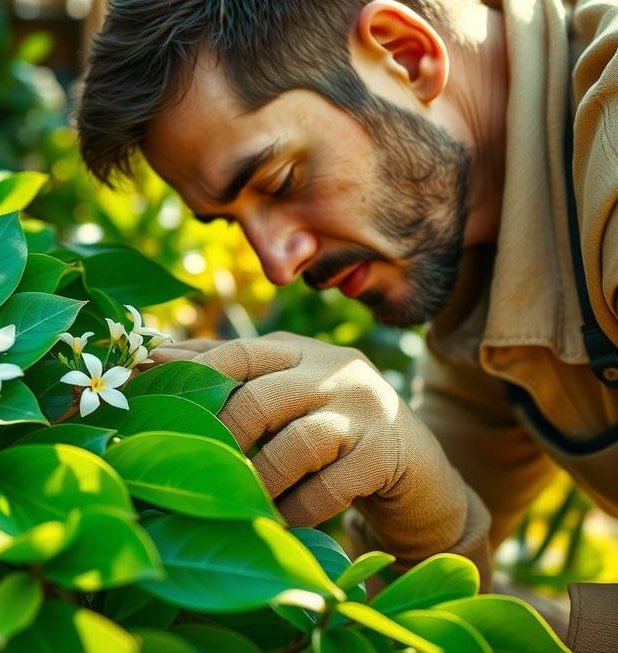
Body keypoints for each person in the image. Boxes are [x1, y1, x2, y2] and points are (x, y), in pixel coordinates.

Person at [75, 1, 618, 649]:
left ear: (404, 56)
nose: (276, 265)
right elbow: (405, 591)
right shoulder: (476, 257)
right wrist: (428, 529)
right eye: (231, 221)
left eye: (279, 179)